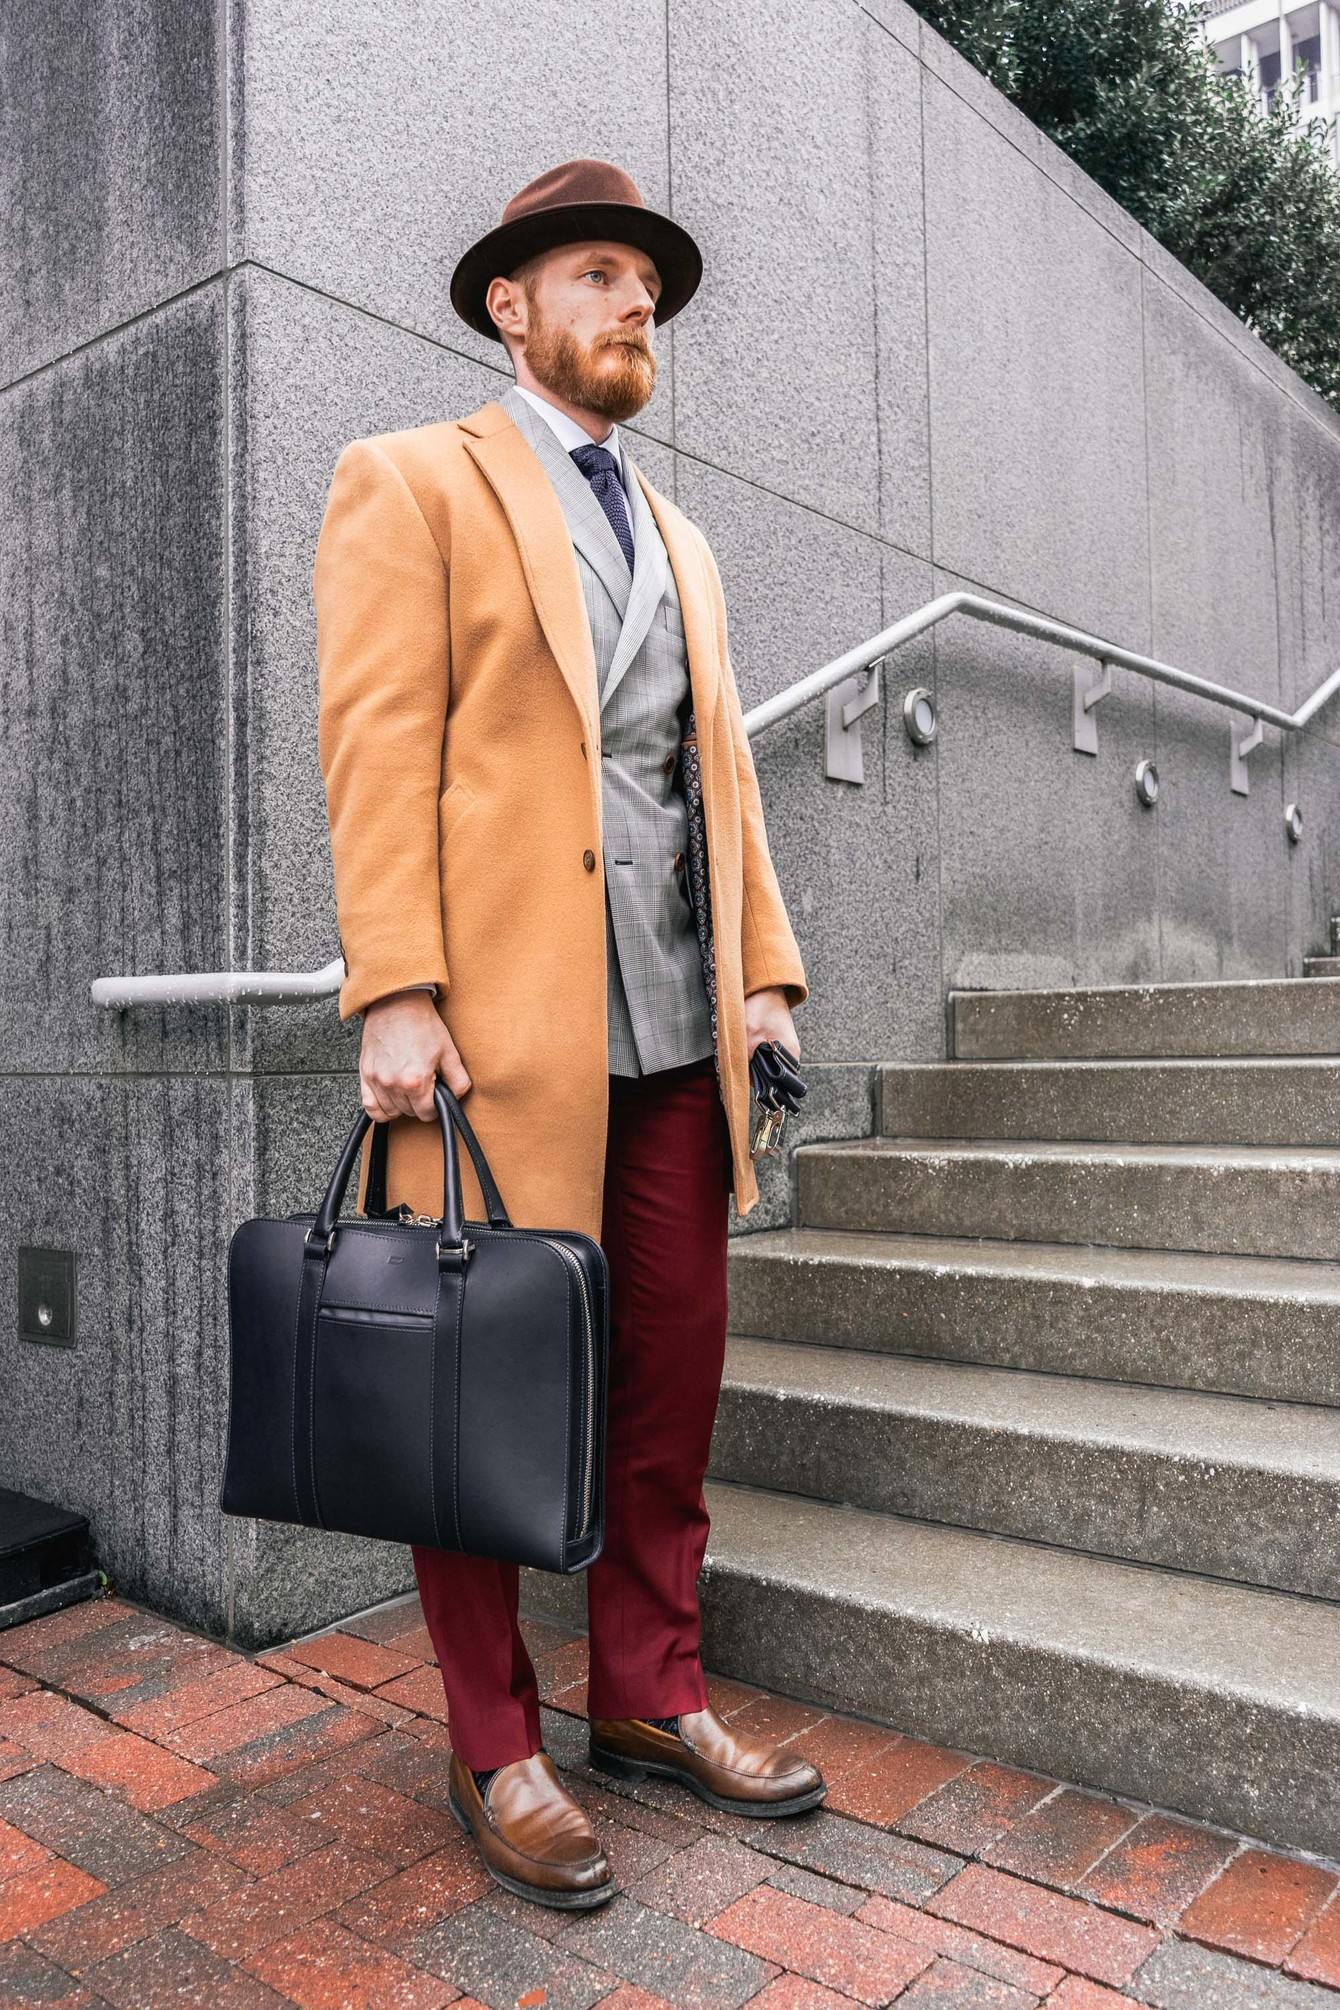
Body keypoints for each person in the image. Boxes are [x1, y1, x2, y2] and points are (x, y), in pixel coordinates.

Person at [313, 157, 825, 1912]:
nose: (636, 306)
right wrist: (395, 981)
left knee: (668, 1381)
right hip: (496, 1034)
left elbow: (724, 774)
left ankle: (650, 1695)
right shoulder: (410, 481)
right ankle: (494, 1738)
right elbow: (380, 743)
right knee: (478, 1388)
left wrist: (760, 964)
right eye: (601, 275)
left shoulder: (681, 536)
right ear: (509, 306)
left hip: (676, 1028)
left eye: (650, 289)